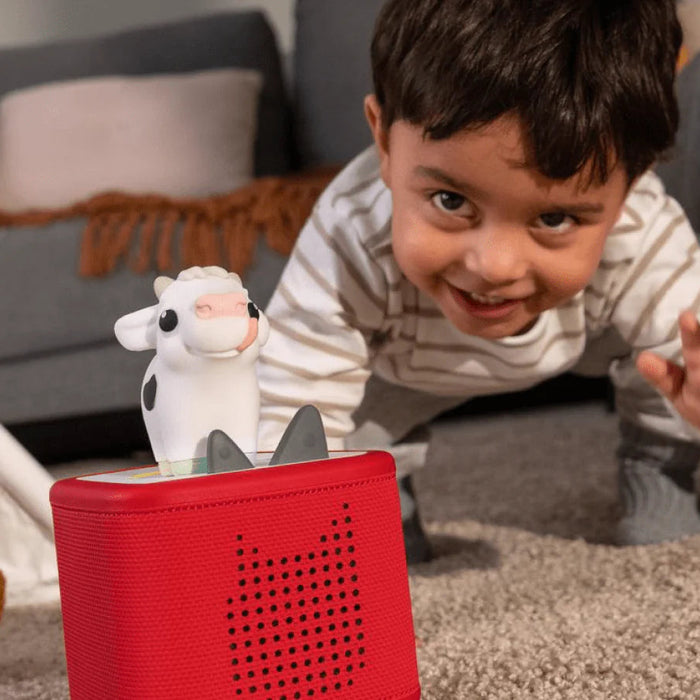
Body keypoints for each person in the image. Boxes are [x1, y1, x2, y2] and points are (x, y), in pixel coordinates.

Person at [257, 0, 700, 560]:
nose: (495, 266)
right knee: (346, 478)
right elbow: (291, 401)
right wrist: (286, 536)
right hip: (398, 365)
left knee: (671, 365)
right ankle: (382, 486)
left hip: (587, 329)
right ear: (385, 143)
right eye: (450, 200)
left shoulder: (642, 236)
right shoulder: (350, 236)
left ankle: (657, 466)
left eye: (555, 218)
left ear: (632, 185)